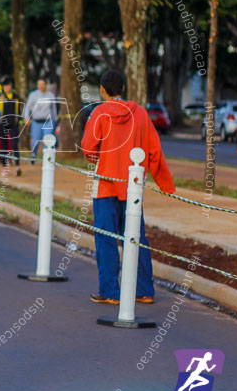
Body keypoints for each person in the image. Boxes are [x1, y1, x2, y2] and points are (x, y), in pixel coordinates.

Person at [81, 68, 175, 305]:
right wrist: (166, 185)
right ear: (122, 88)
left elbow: (88, 147)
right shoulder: (141, 114)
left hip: (105, 185)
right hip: (133, 186)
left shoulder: (99, 113)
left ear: (102, 90)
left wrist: (97, 160)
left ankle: (110, 291)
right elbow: (155, 150)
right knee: (136, 238)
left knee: (105, 238)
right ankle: (144, 290)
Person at [24, 79, 58, 165]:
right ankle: (34, 155)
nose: (41, 86)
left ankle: (47, 159)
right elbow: (27, 107)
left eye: (43, 84)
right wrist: (26, 118)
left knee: (48, 141)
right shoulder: (33, 95)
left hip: (48, 121)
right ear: (37, 85)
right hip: (36, 122)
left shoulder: (51, 95)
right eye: (39, 84)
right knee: (36, 141)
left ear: (45, 85)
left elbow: (54, 109)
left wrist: (55, 120)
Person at [0, 76, 21, 176]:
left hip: (13, 124)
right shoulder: (0, 96)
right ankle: (5, 167)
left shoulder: (15, 96)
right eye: (5, 85)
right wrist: (1, 84)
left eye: (8, 85)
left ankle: (17, 166)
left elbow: (19, 110)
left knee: (14, 145)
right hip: (2, 124)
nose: (7, 87)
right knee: (3, 146)